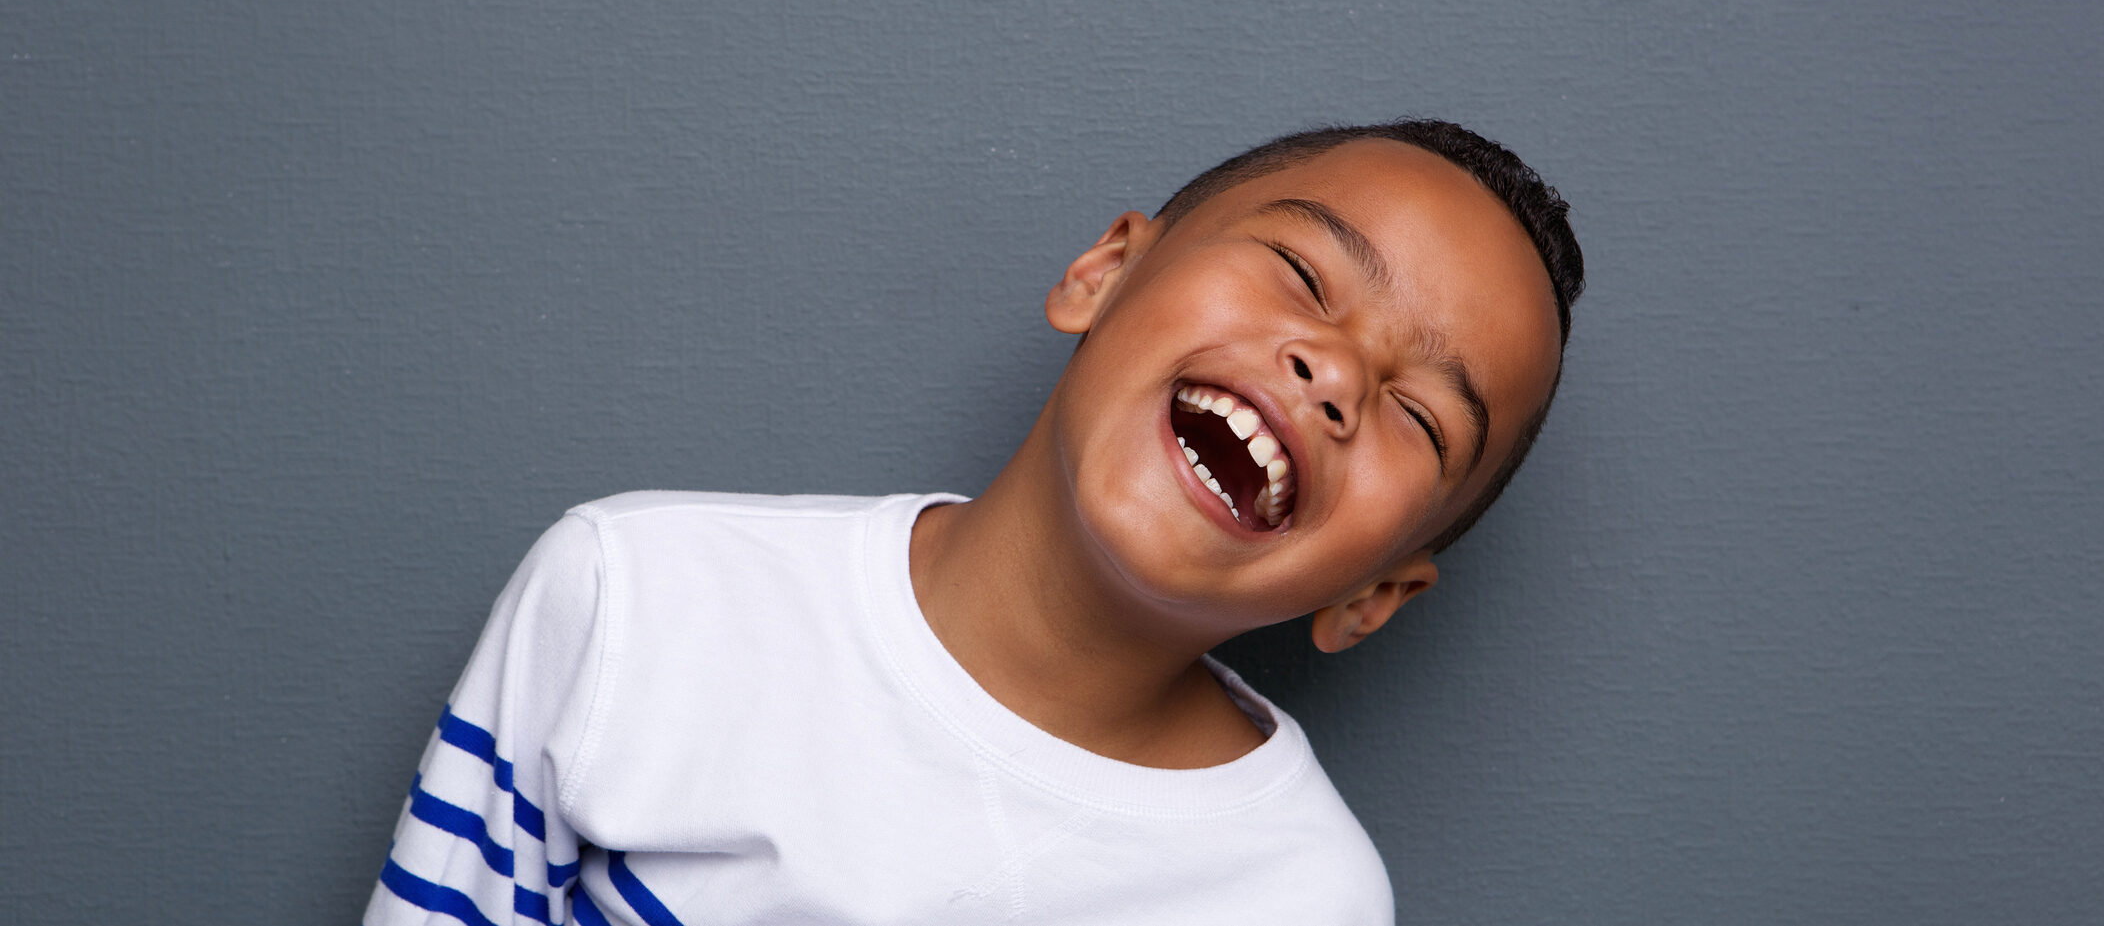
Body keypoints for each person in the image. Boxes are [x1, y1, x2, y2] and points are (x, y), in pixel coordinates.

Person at [365, 120, 1585, 925]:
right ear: (1105, 273)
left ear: (1373, 595)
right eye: (1306, 276)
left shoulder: (1305, 898)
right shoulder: (636, 599)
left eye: (1420, 419)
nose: (1333, 377)